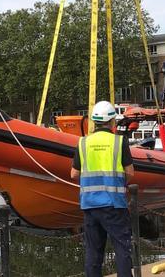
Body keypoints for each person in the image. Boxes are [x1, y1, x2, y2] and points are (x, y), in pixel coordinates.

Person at [71, 101, 134, 277]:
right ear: (112, 121)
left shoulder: (83, 143)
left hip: (90, 205)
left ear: (94, 121)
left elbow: (74, 174)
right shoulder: (119, 141)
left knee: (93, 253)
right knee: (122, 250)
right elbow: (130, 172)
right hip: (114, 205)